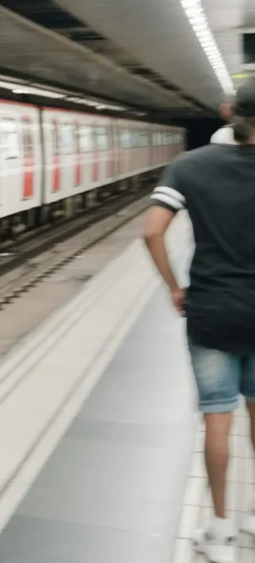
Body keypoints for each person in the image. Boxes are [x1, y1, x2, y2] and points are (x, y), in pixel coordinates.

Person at [143, 77, 255, 563]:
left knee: (217, 417)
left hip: (211, 308)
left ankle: (219, 529)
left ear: (230, 112)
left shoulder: (190, 166)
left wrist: (173, 285)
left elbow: (151, 231)